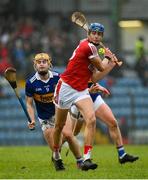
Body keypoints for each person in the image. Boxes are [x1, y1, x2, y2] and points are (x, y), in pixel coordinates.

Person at [52, 22, 117, 171]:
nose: (96, 36)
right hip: (65, 88)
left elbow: (93, 77)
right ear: (88, 34)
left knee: (91, 119)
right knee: (59, 126)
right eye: (93, 33)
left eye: (99, 34)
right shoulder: (88, 47)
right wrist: (108, 57)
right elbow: (101, 66)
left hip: (81, 90)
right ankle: (56, 154)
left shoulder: (92, 48)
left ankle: (87, 158)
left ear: (102, 36)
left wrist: (108, 60)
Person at [25, 53, 83, 171]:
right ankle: (57, 158)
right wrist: (31, 119)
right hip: (45, 117)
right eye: (39, 62)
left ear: (49, 64)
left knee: (68, 134)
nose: (42, 64)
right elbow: (29, 104)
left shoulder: (58, 77)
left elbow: (69, 93)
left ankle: (80, 161)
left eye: (44, 62)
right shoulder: (31, 83)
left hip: (60, 111)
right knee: (55, 147)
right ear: (35, 65)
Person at [70, 82, 139, 164]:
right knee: (71, 133)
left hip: (93, 96)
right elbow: (74, 83)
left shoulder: (94, 69)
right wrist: (110, 67)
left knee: (112, 122)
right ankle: (57, 153)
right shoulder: (75, 69)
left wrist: (99, 86)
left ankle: (122, 154)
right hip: (79, 98)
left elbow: (93, 77)